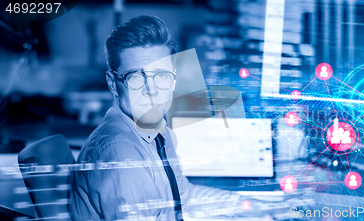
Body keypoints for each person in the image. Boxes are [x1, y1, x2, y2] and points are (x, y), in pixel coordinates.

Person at [70, 16, 249, 220]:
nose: (151, 91)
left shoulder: (156, 132)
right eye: (136, 77)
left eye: (162, 76)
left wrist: (248, 206)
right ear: (112, 83)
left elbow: (184, 198)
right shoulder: (119, 152)